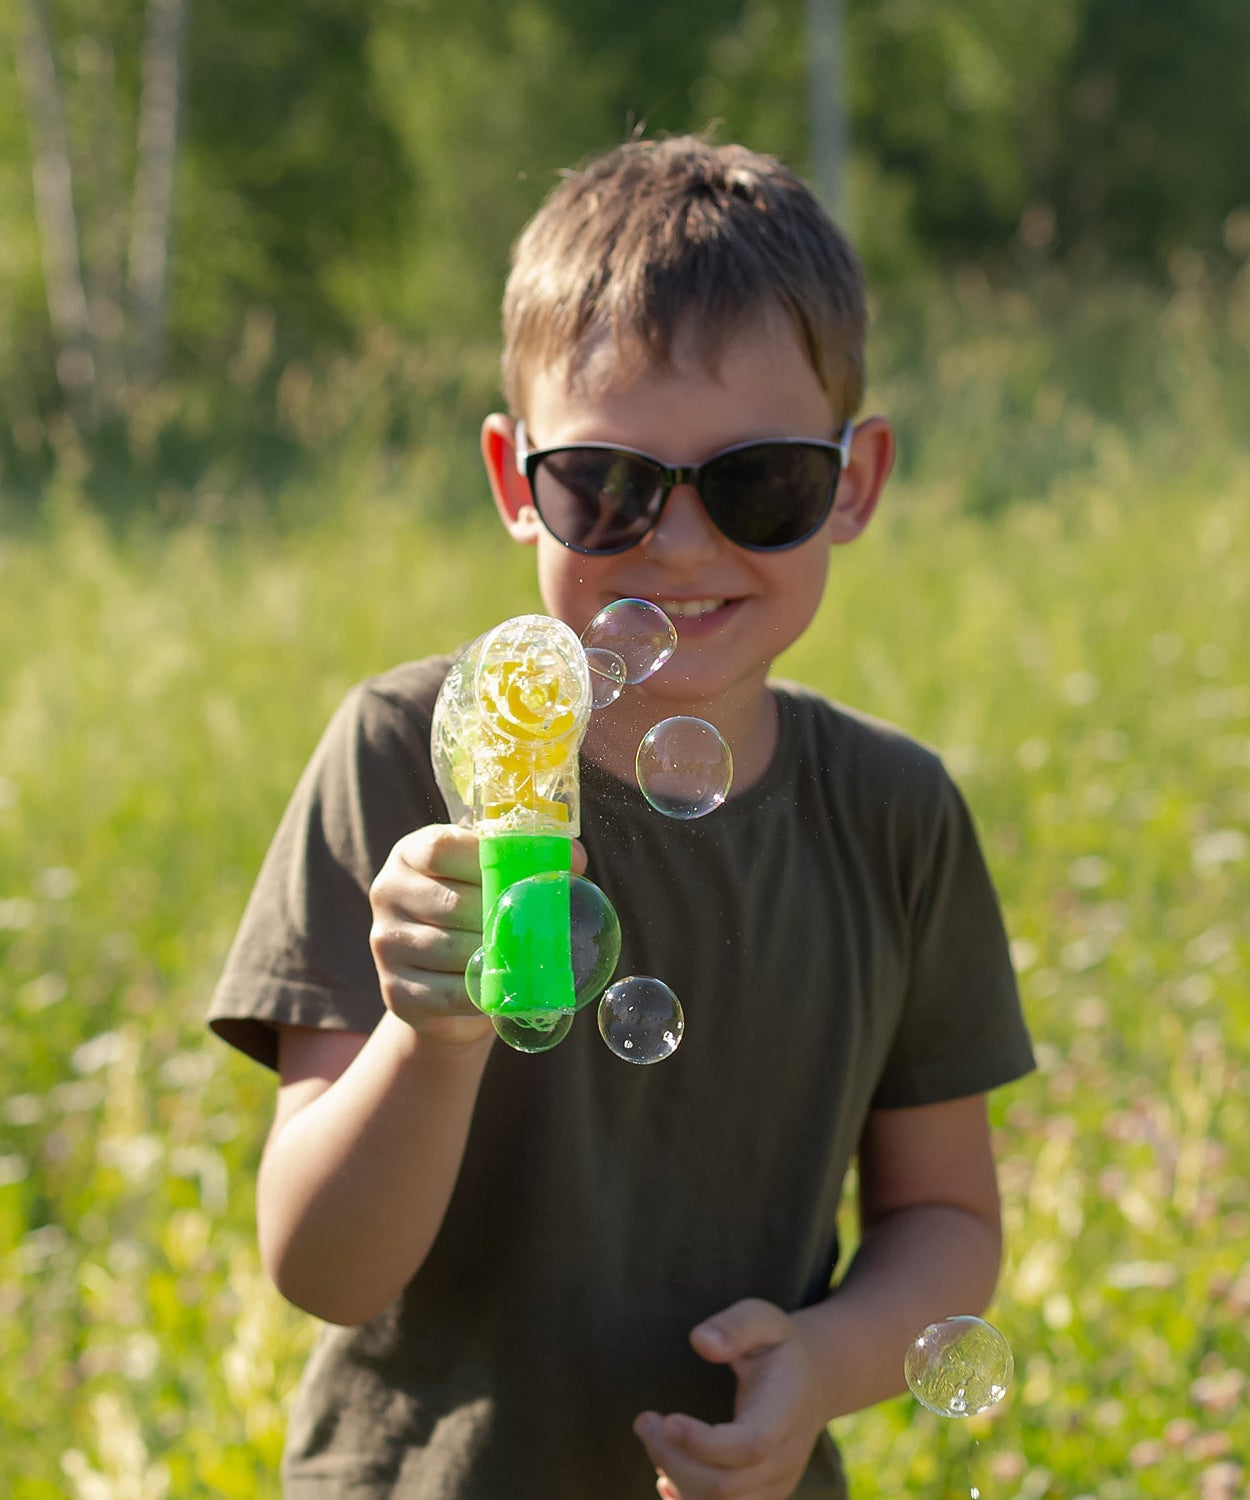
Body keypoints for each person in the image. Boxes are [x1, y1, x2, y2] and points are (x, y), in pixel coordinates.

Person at [208, 132, 1034, 1500]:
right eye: (607, 484)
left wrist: (823, 1363)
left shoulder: (892, 814)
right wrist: (430, 1033)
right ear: (512, 481)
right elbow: (322, 1270)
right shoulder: (406, 759)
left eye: (761, 482)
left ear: (853, 482)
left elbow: (944, 1218)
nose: (682, 544)